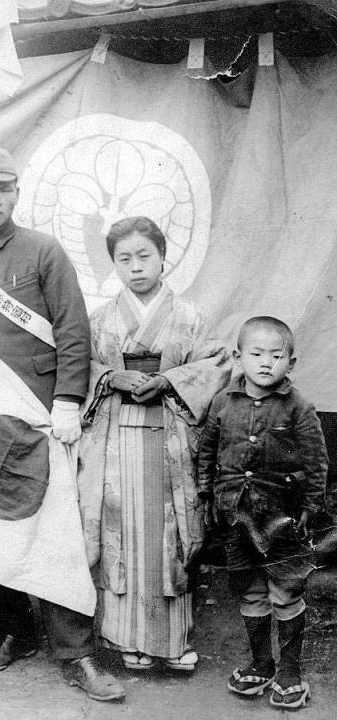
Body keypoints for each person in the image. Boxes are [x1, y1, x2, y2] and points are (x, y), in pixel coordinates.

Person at [0, 147, 124, 701]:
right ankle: (10, 631)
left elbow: (72, 330)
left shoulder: (44, 250)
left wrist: (66, 399)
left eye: (2, 189)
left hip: (38, 410)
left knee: (57, 528)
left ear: (16, 194)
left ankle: (76, 651)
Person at [76, 217, 230, 672]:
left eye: (144, 255)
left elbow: (216, 364)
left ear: (163, 257)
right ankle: (127, 640)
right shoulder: (101, 318)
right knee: (119, 527)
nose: (135, 266)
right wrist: (110, 376)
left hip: (170, 437)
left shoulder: (190, 316)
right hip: (115, 438)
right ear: (113, 265)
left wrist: (169, 379)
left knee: (169, 535)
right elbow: (79, 364)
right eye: (124, 258)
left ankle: (172, 641)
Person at [197, 316, 327, 710]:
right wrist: (206, 494)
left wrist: (310, 507)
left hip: (282, 520)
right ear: (239, 357)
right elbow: (207, 450)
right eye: (256, 354)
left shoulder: (299, 407)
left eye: (277, 355)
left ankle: (290, 672)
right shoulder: (223, 402)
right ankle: (261, 663)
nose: (266, 362)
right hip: (236, 517)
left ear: (292, 362)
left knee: (285, 592)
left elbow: (317, 462)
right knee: (250, 590)